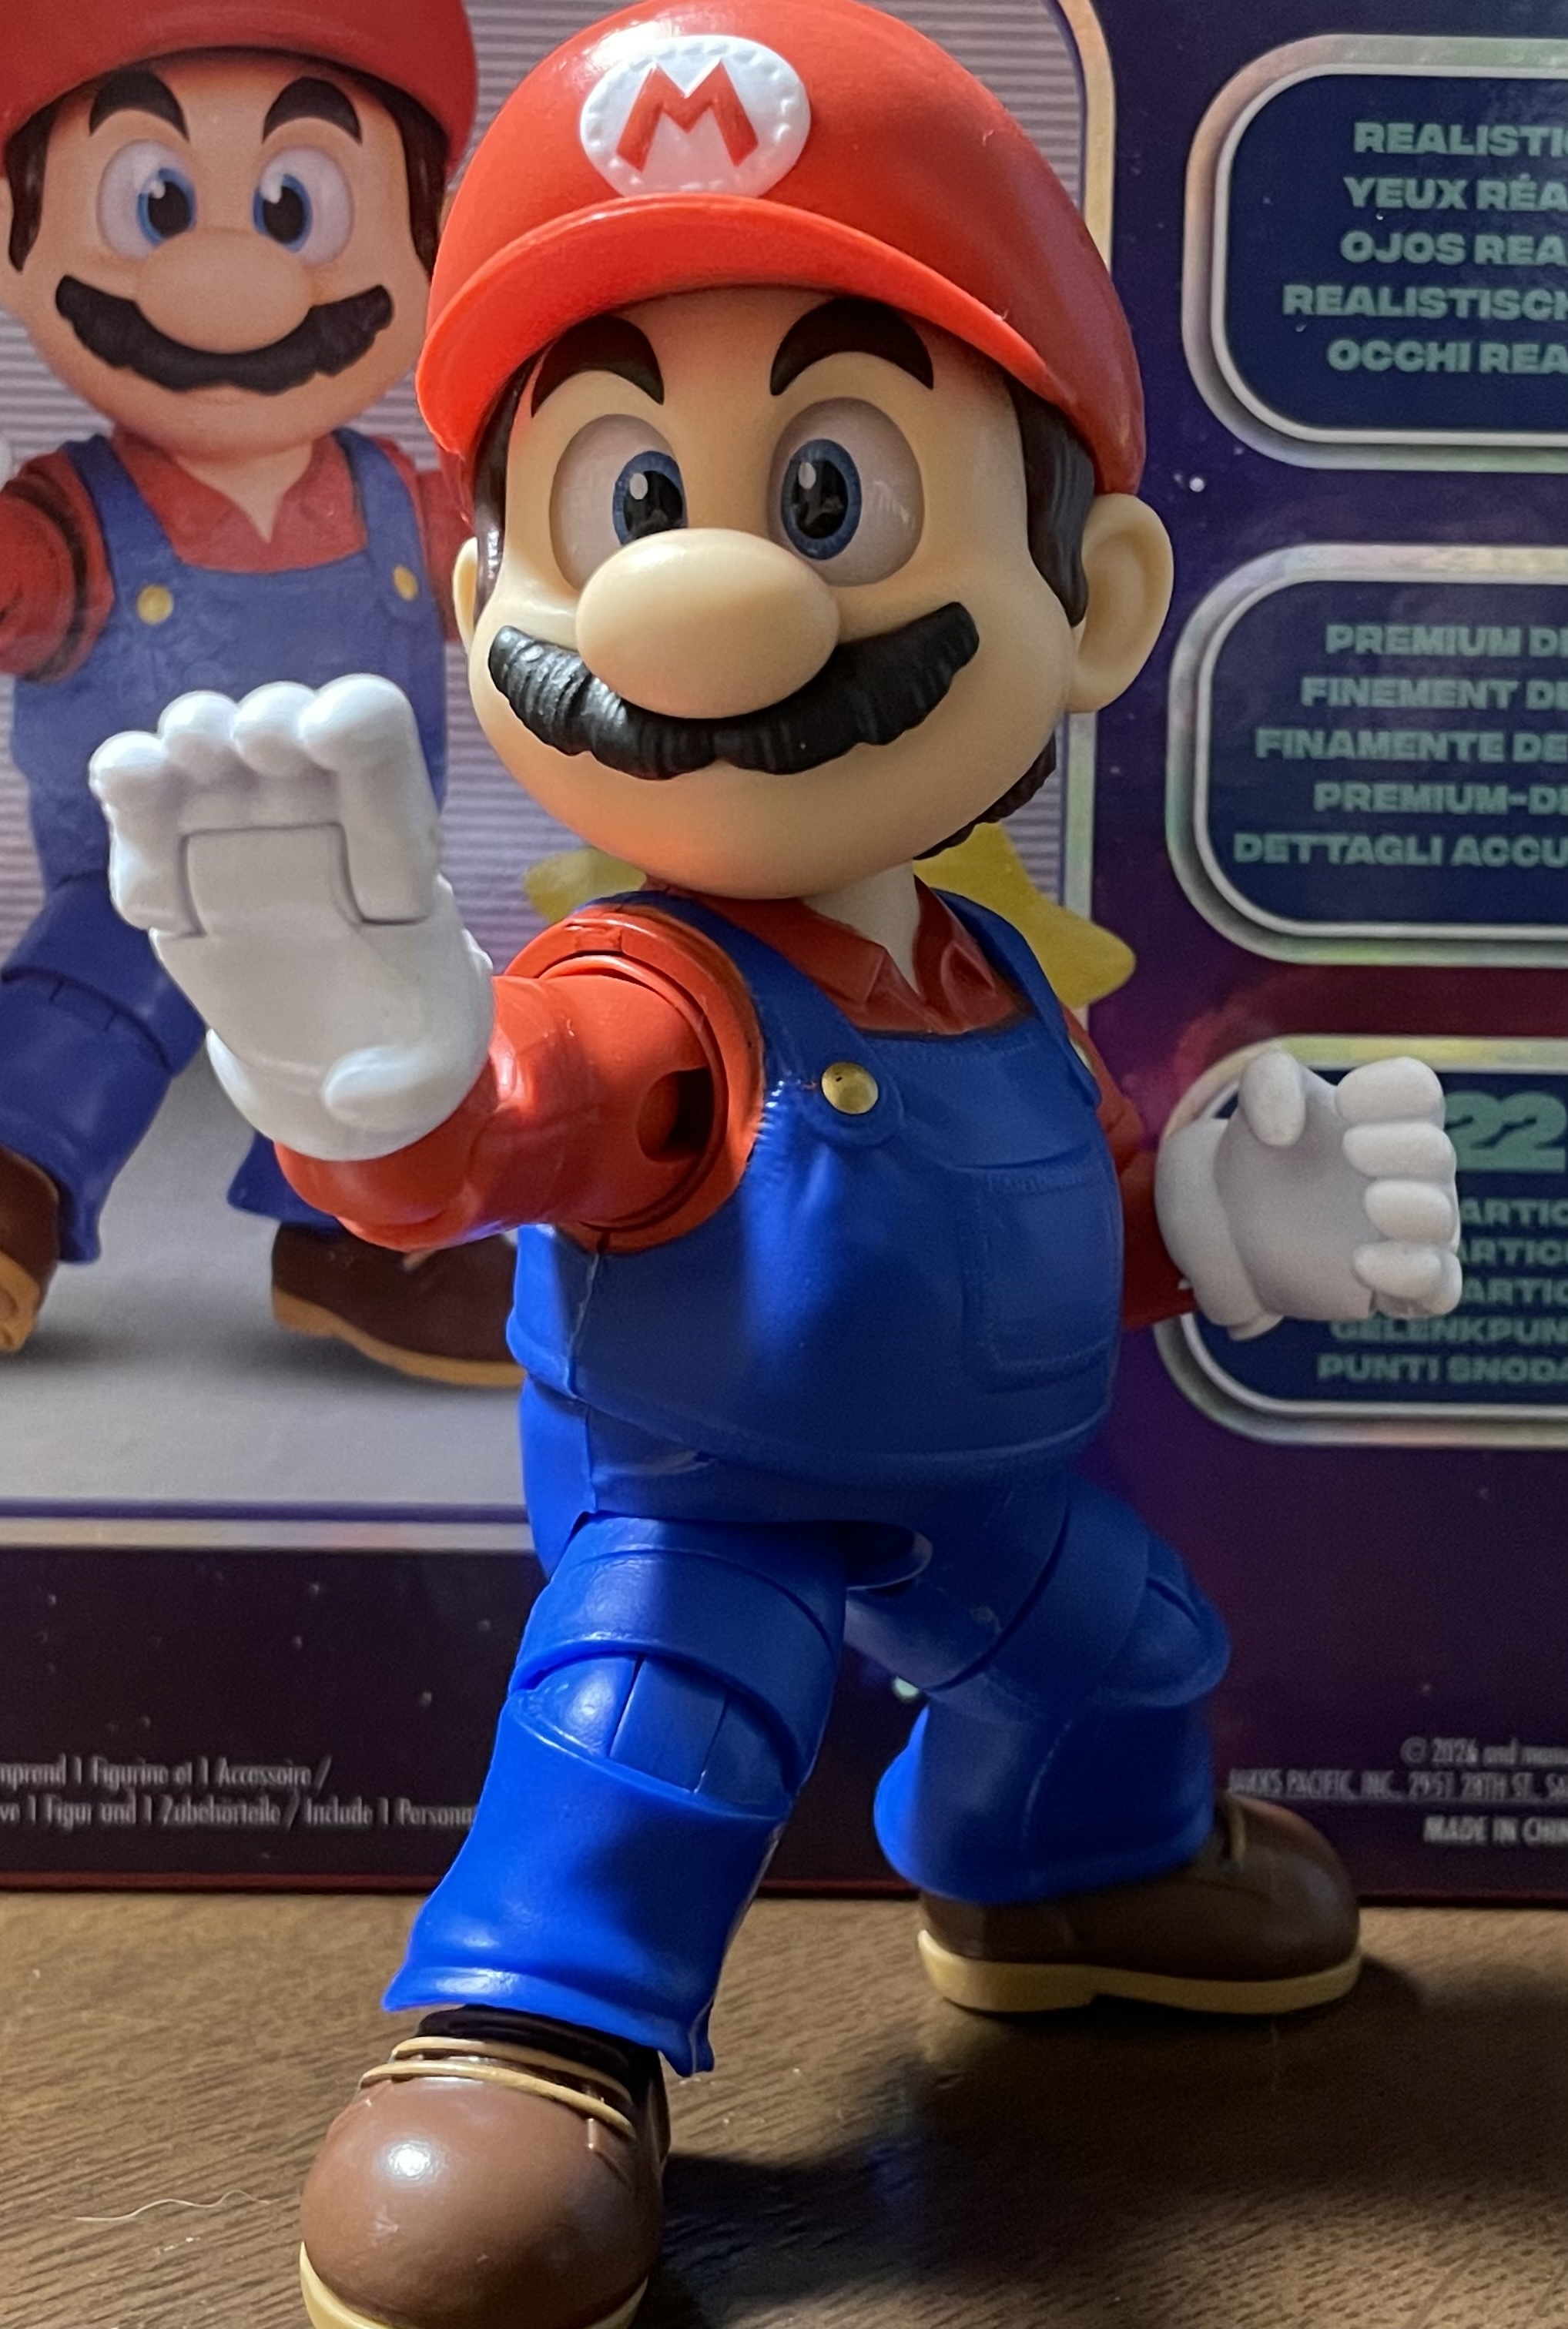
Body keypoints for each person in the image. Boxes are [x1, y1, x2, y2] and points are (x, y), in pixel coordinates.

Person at [92, 5, 1465, 2324]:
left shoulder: (995, 974)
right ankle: (531, 2034)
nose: (698, 598)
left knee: (1131, 1645)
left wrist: (1207, 1227)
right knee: (654, 1721)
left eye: (823, 495)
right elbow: (491, 1136)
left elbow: (1055, 1205)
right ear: (487, 607)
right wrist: (362, 1075)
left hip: (992, 1504)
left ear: (1095, 603)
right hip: (700, 1509)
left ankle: (1060, 1876)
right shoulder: (649, 987)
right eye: (628, 505)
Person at [0, 1, 518, 1384]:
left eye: (295, 207)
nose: (231, 271)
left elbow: (533, 584)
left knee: (378, 1028)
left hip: (360, 881)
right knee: (84, 1001)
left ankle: (362, 1235)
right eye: (156, 203)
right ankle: (14, 1177)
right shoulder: (69, 518)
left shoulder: (409, 504)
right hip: (131, 877)